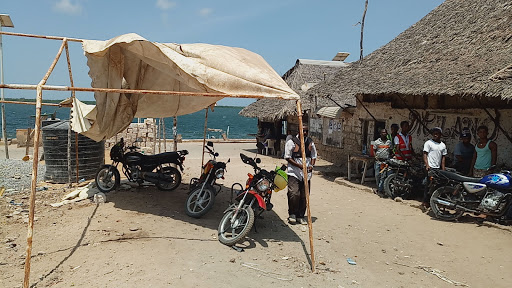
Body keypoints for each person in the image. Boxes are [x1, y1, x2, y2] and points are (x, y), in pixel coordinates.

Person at [284, 125, 317, 225]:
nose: (305, 133)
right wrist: (298, 165)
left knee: (304, 195)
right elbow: (287, 157)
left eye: (306, 131)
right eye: (303, 131)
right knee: (294, 193)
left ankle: (300, 215)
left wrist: (311, 165)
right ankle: (292, 214)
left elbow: (314, 155)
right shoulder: (292, 142)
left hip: (306, 173)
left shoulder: (310, 142)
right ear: (299, 131)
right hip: (294, 172)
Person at [421, 127, 447, 210]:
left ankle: (434, 201)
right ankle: (425, 202)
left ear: (440, 135)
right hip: (430, 167)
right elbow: (425, 154)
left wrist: (443, 169)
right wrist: (427, 165)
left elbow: (443, 157)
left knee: (436, 185)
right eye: (434, 133)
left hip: (437, 168)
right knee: (427, 185)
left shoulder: (443, 145)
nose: (436, 135)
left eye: (437, 133)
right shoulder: (428, 143)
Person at [373, 128, 392, 196]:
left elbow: (391, 151)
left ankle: (381, 190)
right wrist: (376, 157)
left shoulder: (389, 142)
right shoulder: (376, 142)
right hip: (378, 162)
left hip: (386, 162)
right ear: (380, 134)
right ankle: (379, 188)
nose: (385, 134)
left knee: (383, 176)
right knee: (377, 175)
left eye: (385, 132)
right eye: (383, 132)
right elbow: (374, 150)